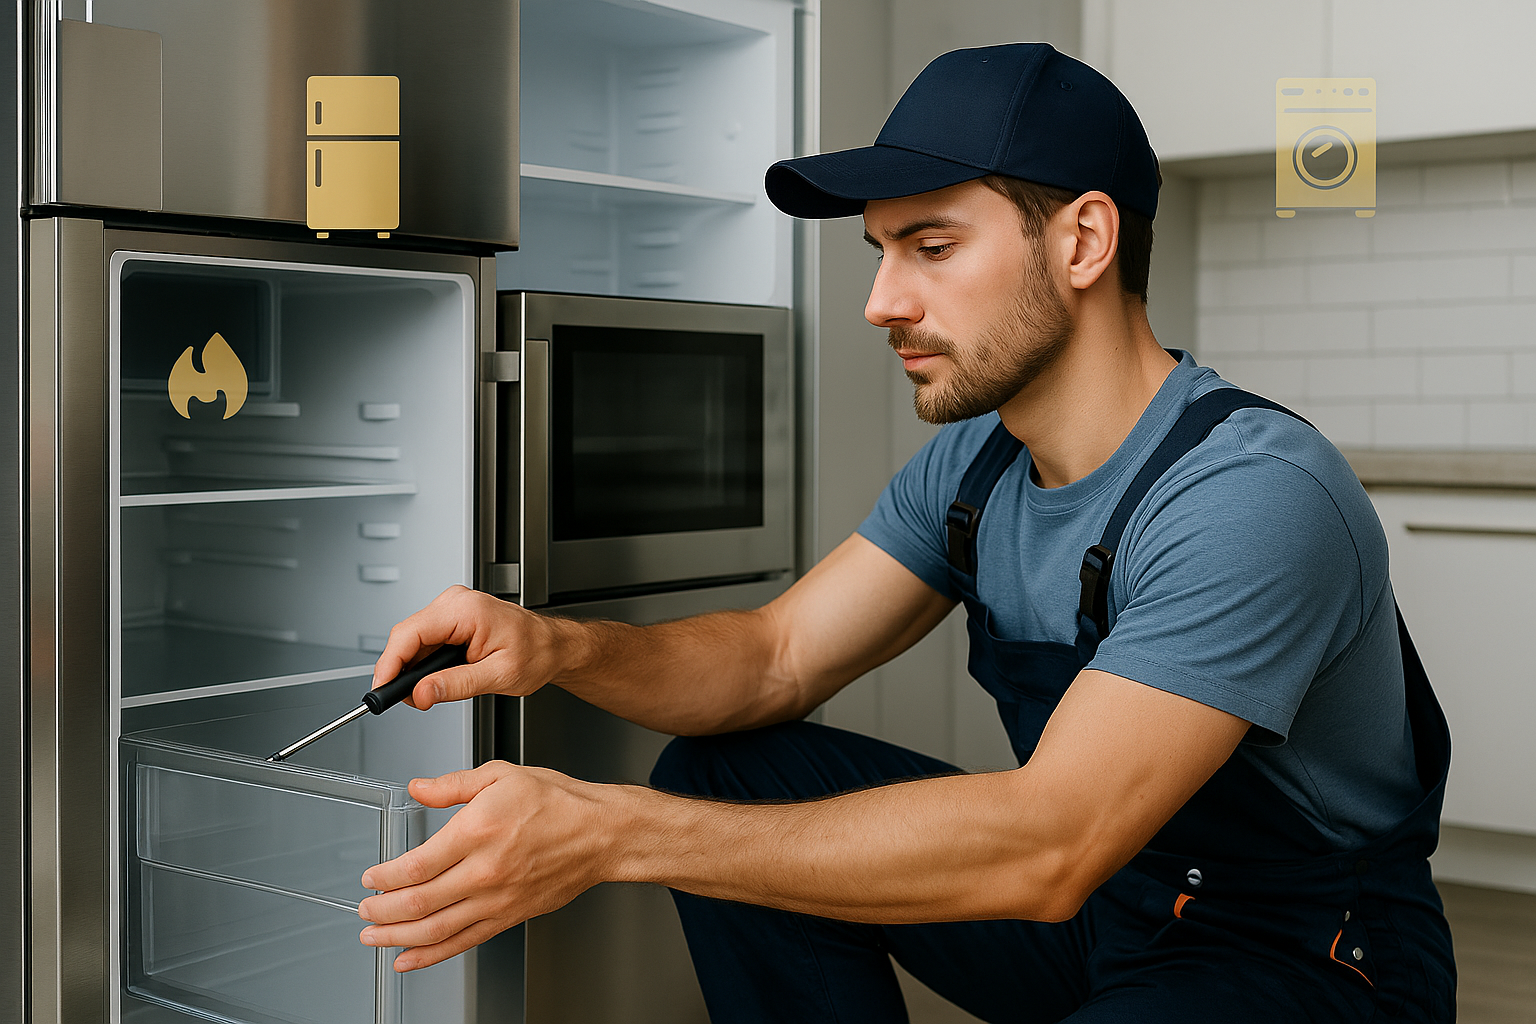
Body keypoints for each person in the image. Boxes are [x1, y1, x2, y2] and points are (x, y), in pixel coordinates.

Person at [355, 43, 1456, 1023]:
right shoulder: (973, 470)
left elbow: (1049, 840)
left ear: (1083, 240)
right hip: (1110, 914)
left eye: (930, 246)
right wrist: (554, 647)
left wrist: (617, 832)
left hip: (1307, 957)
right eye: (881, 252)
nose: (882, 300)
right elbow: (776, 659)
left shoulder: (1250, 494)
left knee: (686, 812)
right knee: (727, 769)